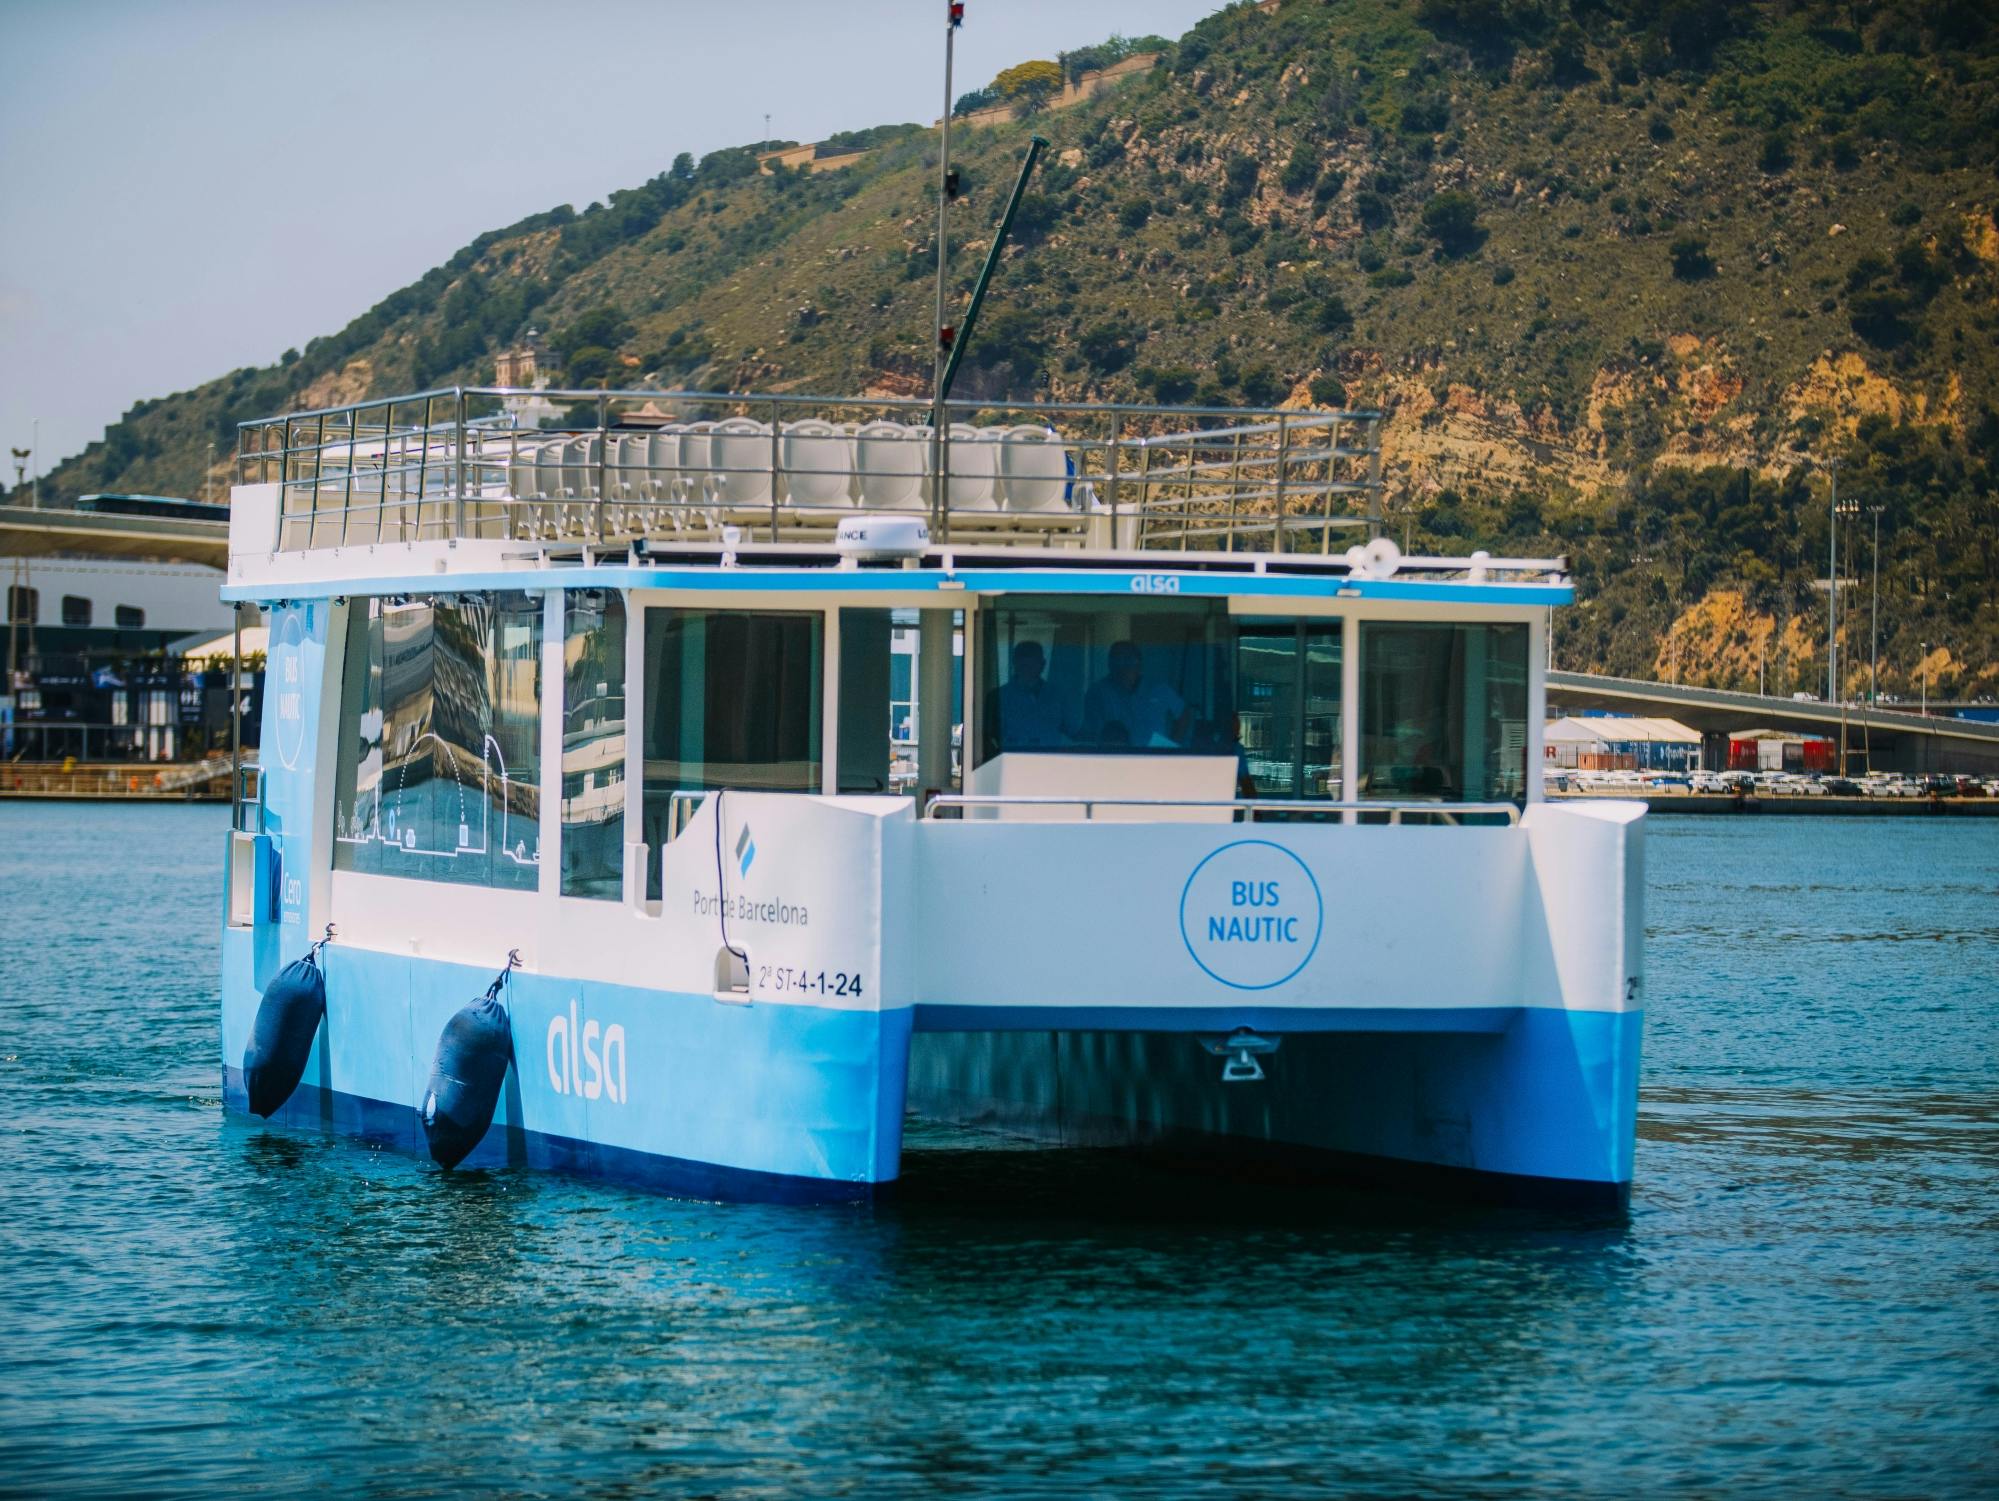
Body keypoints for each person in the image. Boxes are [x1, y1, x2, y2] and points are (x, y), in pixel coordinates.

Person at [1084, 640, 1192, 748]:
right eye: (1117, 660)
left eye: (1128, 660)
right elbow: (1091, 732)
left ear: (1139, 664)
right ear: (1110, 664)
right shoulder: (1097, 692)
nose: (1123, 667)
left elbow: (1183, 713)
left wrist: (1171, 747)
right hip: (1114, 757)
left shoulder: (1158, 689)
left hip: (1155, 759)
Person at [986, 639, 1069, 754]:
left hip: (1053, 760)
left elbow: (1068, 729)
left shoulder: (1059, 696)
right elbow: (988, 737)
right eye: (1024, 664)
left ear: (1042, 664)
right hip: (1010, 761)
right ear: (1015, 663)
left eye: (1032, 663)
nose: (1028, 668)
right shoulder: (996, 697)